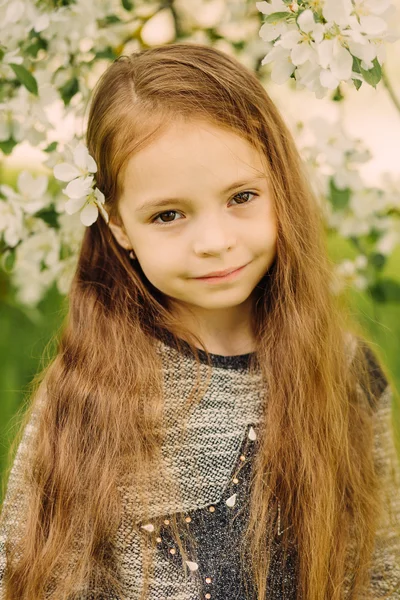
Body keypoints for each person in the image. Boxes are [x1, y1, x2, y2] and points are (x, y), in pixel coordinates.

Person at [0, 43, 399, 600]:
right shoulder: (89, 392)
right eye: (169, 214)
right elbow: (30, 579)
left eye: (241, 197)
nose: (215, 243)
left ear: (279, 187)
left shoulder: (347, 373)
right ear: (117, 225)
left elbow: (380, 573)